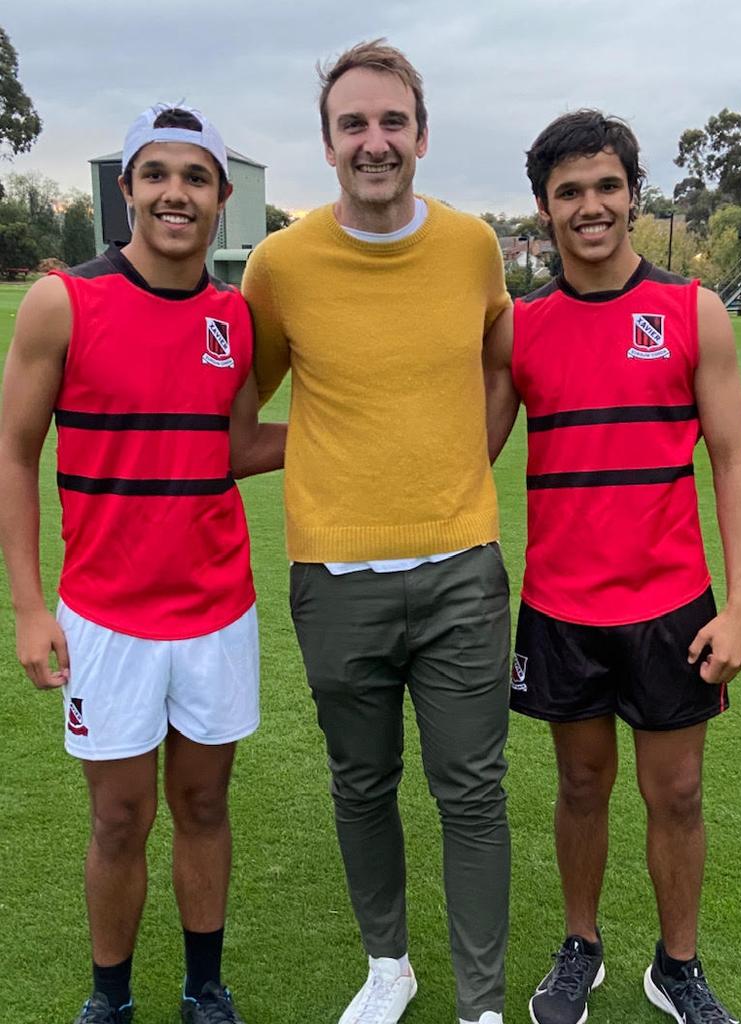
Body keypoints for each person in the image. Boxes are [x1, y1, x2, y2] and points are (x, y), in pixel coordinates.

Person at [241, 38, 512, 1024]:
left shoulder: (475, 246)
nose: (375, 140)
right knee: (363, 784)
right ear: (327, 143)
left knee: (473, 793)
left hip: (461, 572)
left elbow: (499, 367)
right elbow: (240, 423)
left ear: (422, 134)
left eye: (392, 120)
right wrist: (328, 450)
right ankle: (387, 965)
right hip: (335, 575)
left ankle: (481, 1001)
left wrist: (456, 461)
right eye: (353, 122)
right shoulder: (280, 263)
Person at [0, 104, 284, 1024]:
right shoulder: (64, 300)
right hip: (105, 618)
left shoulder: (233, 318)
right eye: (155, 175)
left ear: (222, 198)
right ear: (126, 191)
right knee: (120, 818)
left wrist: (350, 434)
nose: (175, 193)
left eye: (195, 178)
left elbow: (236, 444)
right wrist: (29, 607)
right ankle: (110, 999)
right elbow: (14, 451)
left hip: (216, 613)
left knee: (203, 805)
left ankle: (205, 990)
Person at [483, 109, 741, 1024]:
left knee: (676, 792)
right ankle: (581, 946)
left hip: (673, 606)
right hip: (562, 608)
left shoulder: (691, 310)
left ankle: (676, 967)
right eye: (570, 192)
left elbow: (732, 459)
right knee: (579, 785)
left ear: (633, 195)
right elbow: (465, 455)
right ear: (543, 207)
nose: (590, 207)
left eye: (606, 186)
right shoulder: (520, 329)